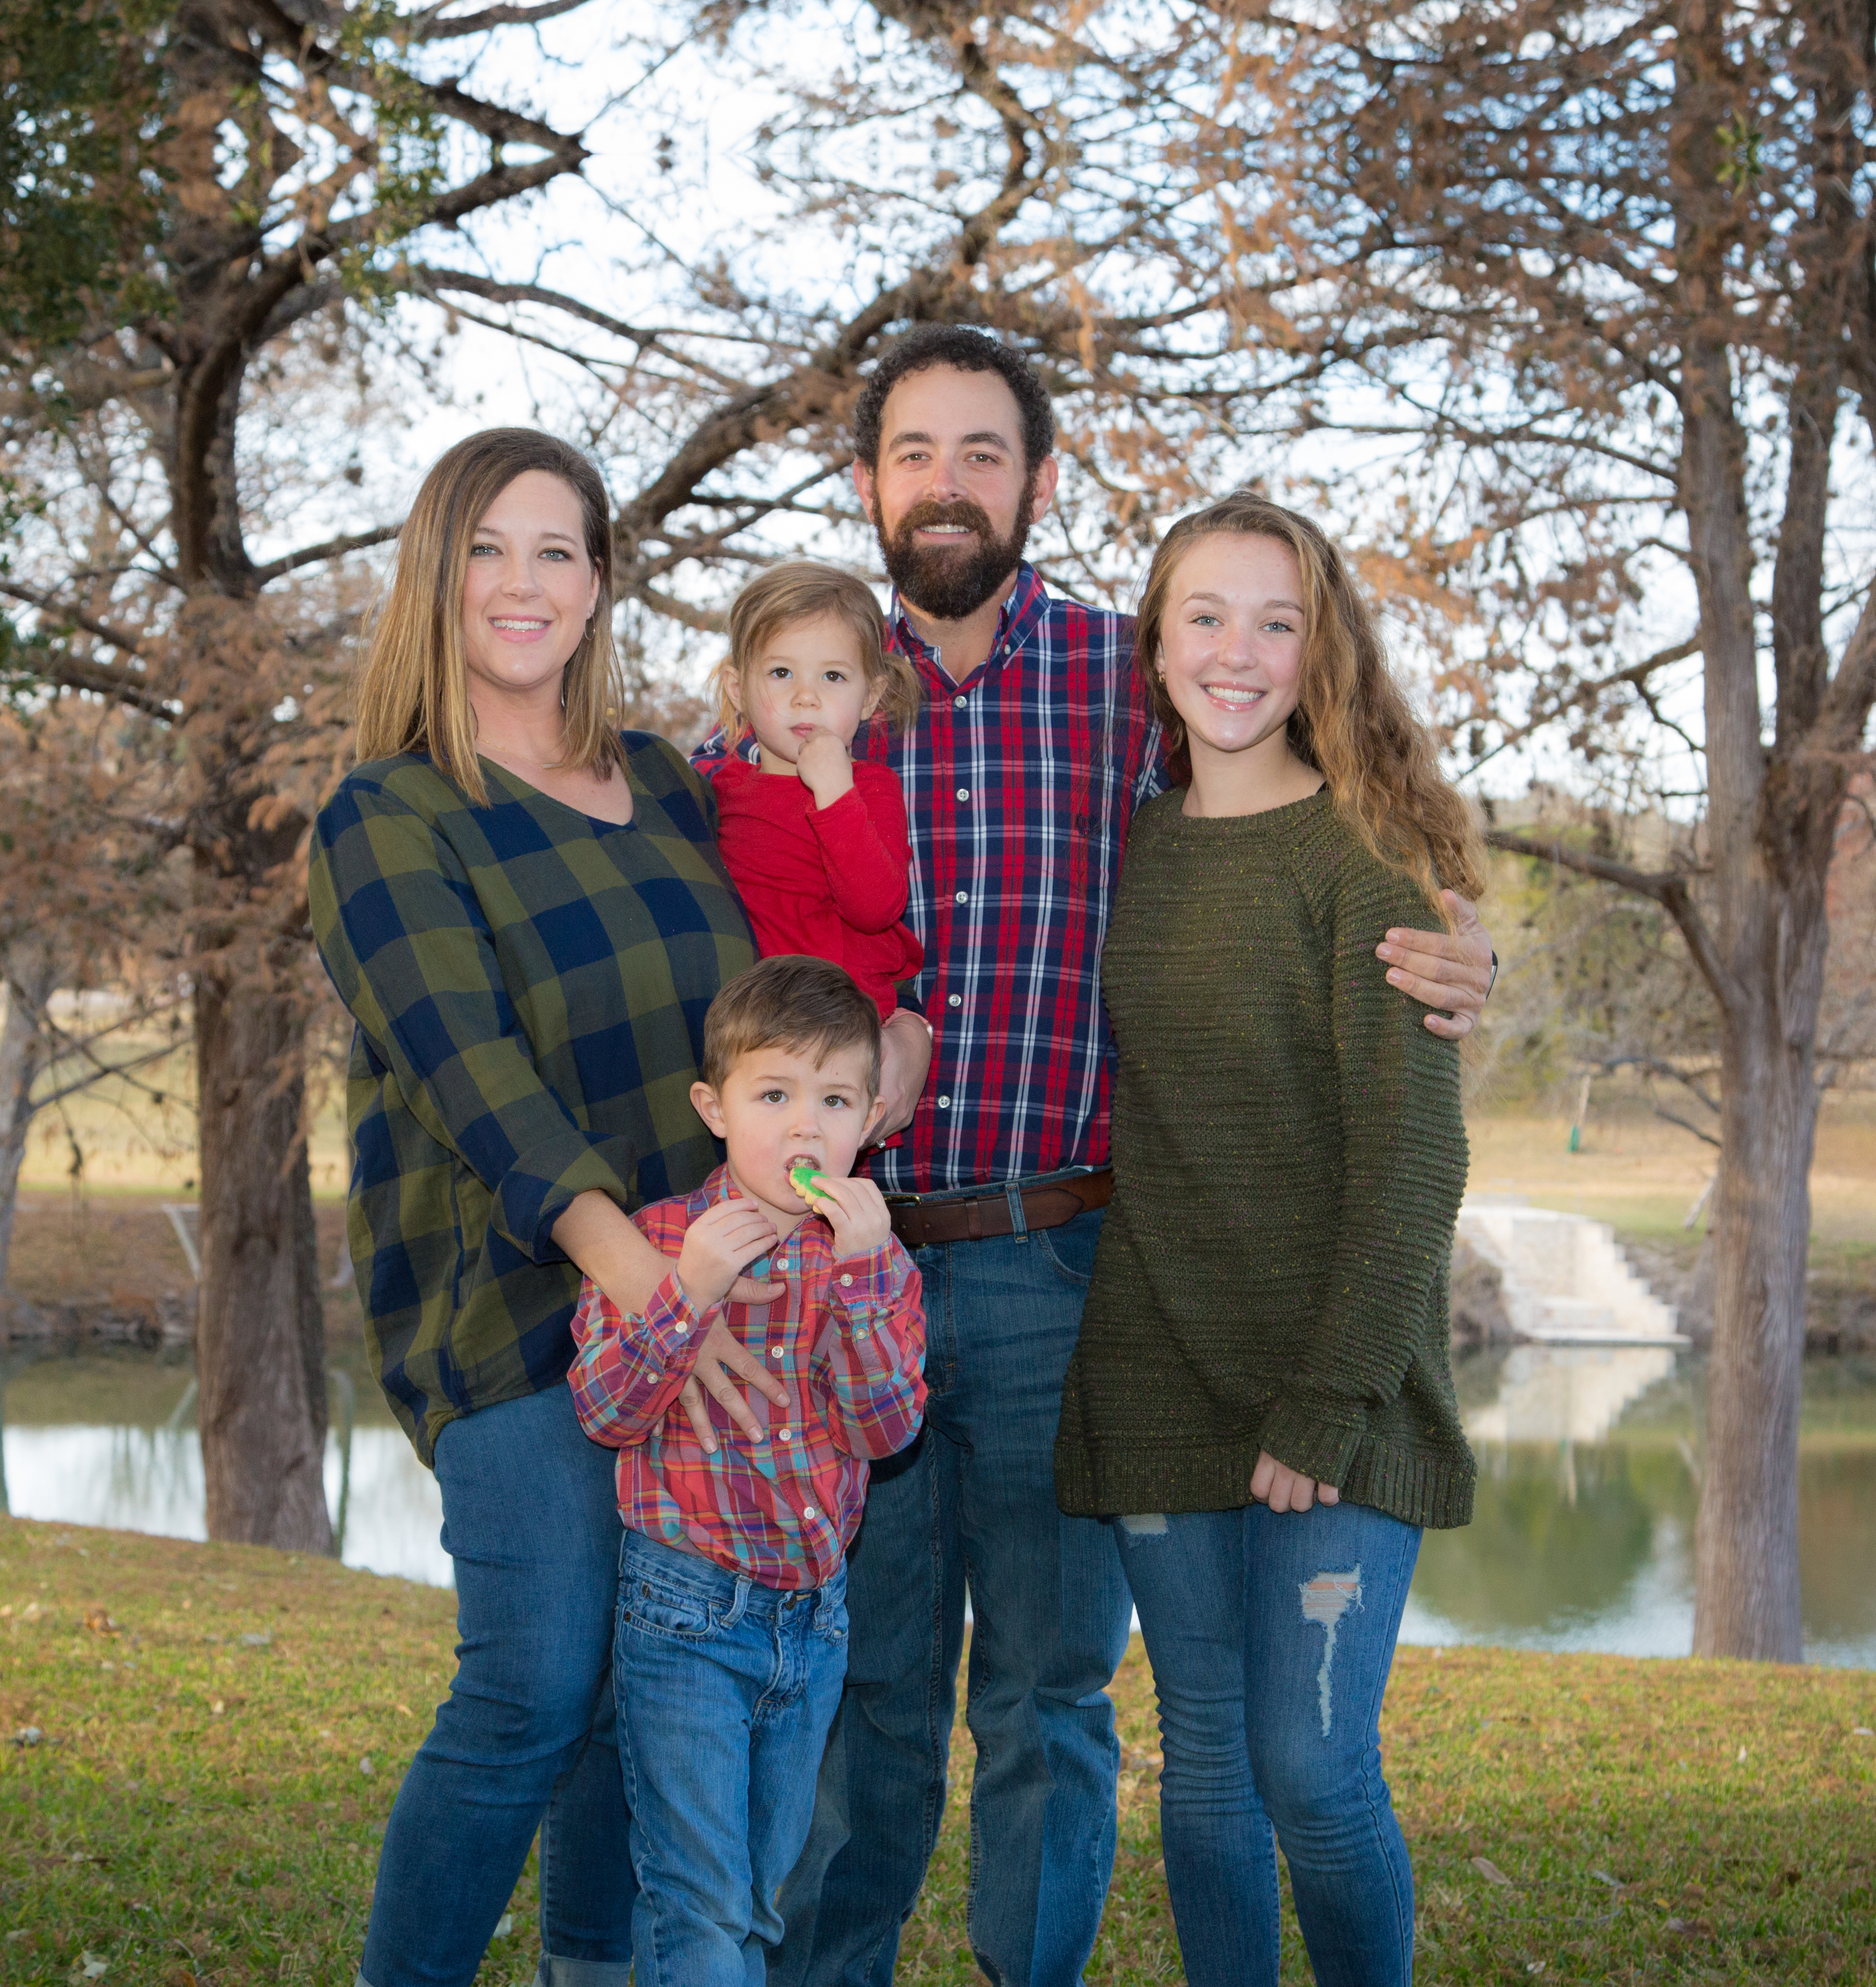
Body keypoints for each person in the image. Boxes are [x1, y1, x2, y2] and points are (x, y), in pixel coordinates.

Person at [703, 326, 1501, 1987]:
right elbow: (671, 884)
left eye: (983, 453)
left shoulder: (1123, 679)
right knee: (863, 1693)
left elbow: (1298, 812)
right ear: (867, 481)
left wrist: (1459, 940)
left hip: (1067, 1270)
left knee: (1050, 1702)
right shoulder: (799, 695)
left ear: (1038, 481)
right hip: (842, 1268)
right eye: (914, 453)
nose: (947, 485)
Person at [313, 428, 773, 1987]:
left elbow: (799, 953)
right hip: (516, 1309)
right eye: (485, 549)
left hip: (703, 1303)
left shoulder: (669, 783)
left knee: (644, 1686)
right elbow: (475, 1078)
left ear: (595, 584)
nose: (521, 582)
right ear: (435, 578)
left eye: (556, 550)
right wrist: (649, 1290)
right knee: (535, 1685)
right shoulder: (388, 814)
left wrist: (888, 1035)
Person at [1055, 494, 1480, 1986]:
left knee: (1311, 1765)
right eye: (1205, 617)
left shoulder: (1362, 867)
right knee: (1208, 1765)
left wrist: (1326, 1395)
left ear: (1321, 652)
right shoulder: (1132, 847)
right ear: (1155, 641)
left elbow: (1415, 1157)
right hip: (1160, 1362)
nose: (1235, 653)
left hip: (1336, 1379)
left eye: (1275, 621)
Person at [568, 954, 930, 1987]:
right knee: (702, 1901)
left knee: (760, 1900)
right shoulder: (657, 1239)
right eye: (774, 1096)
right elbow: (605, 1412)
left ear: (871, 1119)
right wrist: (685, 1292)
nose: (805, 1128)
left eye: (835, 1101)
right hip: (684, 1613)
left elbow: (886, 1432)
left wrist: (862, 1282)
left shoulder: (876, 1262)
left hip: (813, 1623)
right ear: (714, 1108)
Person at [706, 562, 926, 1020]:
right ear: (738, 689)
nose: (806, 696)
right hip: (749, 1026)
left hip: (841, 1022)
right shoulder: (721, 792)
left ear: (870, 697)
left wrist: (835, 792)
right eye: (781, 672)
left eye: (833, 677)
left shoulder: (870, 789)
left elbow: (876, 909)